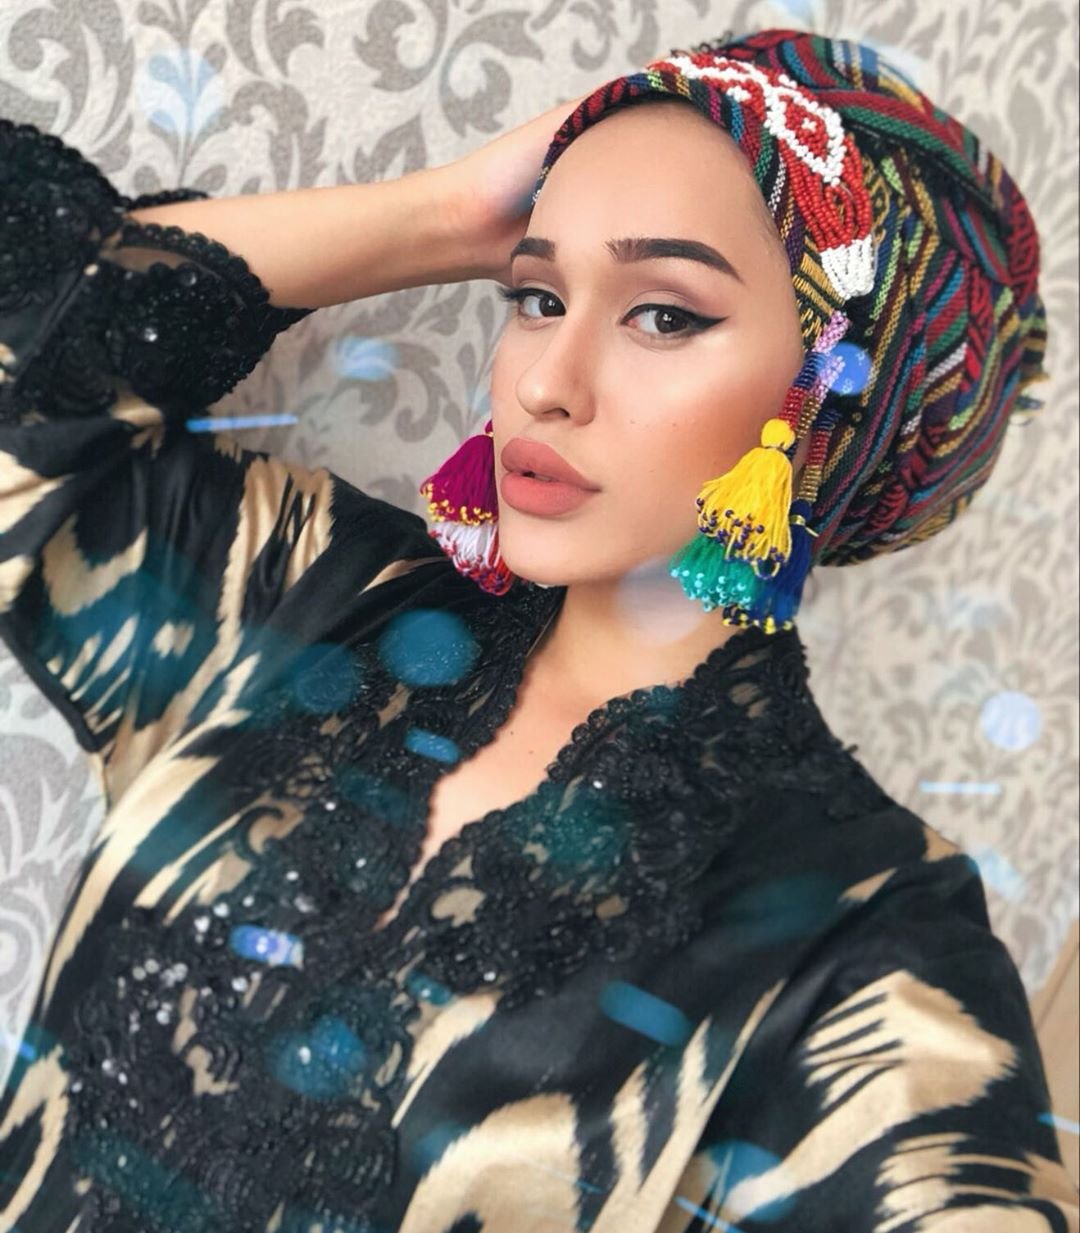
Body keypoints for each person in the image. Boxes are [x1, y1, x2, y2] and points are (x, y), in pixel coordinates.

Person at [0, 26, 1075, 1233]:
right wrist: (447, 215)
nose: (544, 381)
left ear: (834, 397)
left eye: (664, 316)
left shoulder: (861, 927)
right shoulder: (304, 593)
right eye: (535, 295)